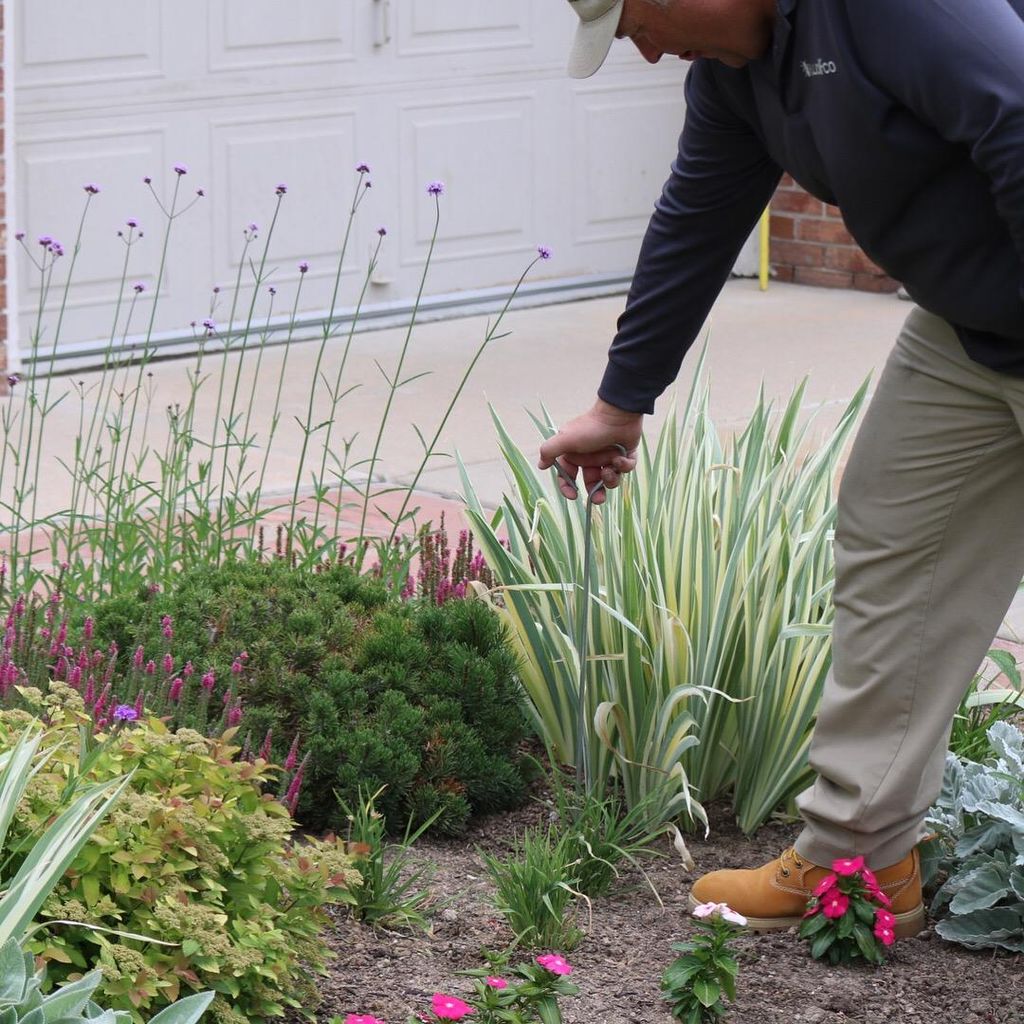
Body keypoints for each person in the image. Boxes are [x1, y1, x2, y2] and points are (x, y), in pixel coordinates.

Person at [542, 0, 1024, 939]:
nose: (641, 49)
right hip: (973, 331)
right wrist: (620, 399)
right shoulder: (735, 77)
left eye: (634, 20)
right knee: (894, 546)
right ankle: (862, 858)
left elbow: (1019, 112)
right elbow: (698, 213)